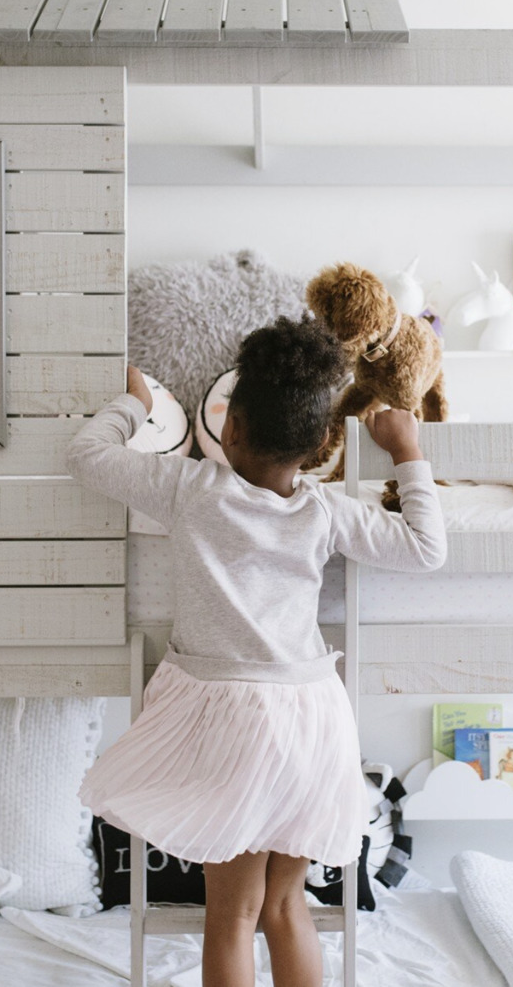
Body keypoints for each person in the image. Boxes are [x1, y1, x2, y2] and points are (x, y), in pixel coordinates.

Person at [68, 316, 446, 987]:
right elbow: (426, 548)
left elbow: (87, 456)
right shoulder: (325, 513)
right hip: (309, 720)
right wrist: (406, 451)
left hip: (231, 722)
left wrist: (138, 403)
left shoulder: (191, 490)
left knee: (232, 913)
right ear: (322, 443)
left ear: (230, 429)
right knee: (284, 906)